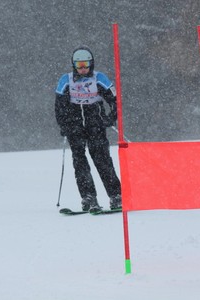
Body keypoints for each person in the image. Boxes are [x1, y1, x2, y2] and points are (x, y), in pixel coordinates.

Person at [55, 46, 122, 213]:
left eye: (85, 65)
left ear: (91, 64)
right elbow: (59, 106)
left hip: (95, 124)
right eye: (79, 66)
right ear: (74, 65)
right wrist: (64, 124)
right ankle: (88, 197)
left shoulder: (100, 78)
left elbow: (115, 101)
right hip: (75, 125)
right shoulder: (66, 80)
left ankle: (116, 195)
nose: (83, 69)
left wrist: (110, 118)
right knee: (80, 161)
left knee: (102, 159)